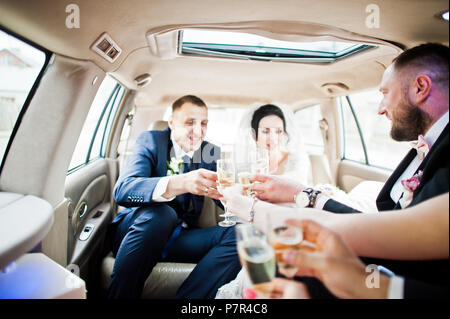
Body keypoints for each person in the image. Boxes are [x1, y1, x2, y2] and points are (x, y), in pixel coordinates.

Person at [222, 43, 449, 297]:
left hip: (403, 277)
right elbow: (383, 226)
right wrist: (306, 194)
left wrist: (253, 210)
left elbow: (402, 236)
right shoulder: (423, 148)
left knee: (276, 268)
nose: (380, 108)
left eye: (385, 93)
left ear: (420, 88)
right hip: (388, 272)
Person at [107, 95, 241, 299]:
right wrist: (181, 183)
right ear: (171, 123)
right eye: (190, 122)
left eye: (203, 123)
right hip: (139, 232)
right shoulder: (151, 141)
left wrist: (242, 199)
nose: (198, 131)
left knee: (242, 233)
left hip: (180, 238)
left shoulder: (209, 151)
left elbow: (221, 195)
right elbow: (124, 189)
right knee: (162, 214)